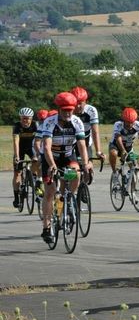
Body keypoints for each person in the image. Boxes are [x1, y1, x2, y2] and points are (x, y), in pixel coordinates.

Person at [37, 92, 90, 243]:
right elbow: (46, 148)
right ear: (59, 109)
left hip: (67, 156)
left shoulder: (77, 122)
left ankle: (69, 199)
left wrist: (85, 165)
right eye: (65, 110)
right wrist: (52, 165)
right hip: (51, 158)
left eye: (70, 110)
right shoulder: (49, 122)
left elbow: (81, 146)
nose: (68, 113)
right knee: (50, 192)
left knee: (76, 174)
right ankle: (46, 228)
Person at [108, 108, 139, 173]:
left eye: (132, 122)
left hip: (128, 147)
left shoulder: (137, 124)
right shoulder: (118, 124)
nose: (130, 124)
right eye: (128, 122)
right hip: (116, 145)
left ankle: (131, 179)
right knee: (113, 153)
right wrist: (123, 150)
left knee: (134, 167)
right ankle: (114, 173)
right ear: (123, 120)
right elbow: (118, 138)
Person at [12, 107, 37, 209]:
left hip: (31, 148)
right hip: (20, 149)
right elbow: (16, 142)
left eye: (28, 118)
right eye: (23, 118)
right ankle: (16, 196)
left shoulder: (36, 125)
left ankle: (34, 177)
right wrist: (17, 156)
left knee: (37, 161)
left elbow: (38, 140)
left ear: (31, 119)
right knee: (17, 173)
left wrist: (37, 154)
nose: (25, 121)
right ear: (20, 118)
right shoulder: (17, 126)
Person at [70, 86, 101, 165]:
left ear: (85, 101)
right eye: (76, 103)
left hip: (86, 140)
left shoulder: (91, 110)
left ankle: (89, 175)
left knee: (88, 166)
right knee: (72, 169)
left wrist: (98, 151)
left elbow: (95, 132)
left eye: (80, 103)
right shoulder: (68, 111)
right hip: (71, 141)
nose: (77, 106)